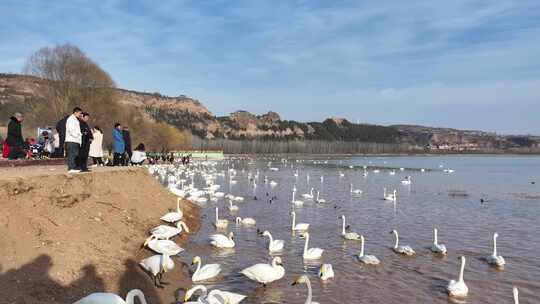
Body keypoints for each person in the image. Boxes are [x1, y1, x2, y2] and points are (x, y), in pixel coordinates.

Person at [65, 107, 83, 173]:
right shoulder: (71, 119)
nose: (80, 114)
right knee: (72, 154)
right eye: (79, 113)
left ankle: (74, 167)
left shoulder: (75, 119)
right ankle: (71, 168)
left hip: (75, 140)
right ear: (75, 112)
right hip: (72, 140)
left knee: (75, 154)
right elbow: (71, 130)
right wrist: (77, 135)